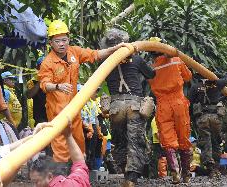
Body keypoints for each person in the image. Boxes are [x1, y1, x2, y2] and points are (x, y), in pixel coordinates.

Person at [38, 20, 131, 162]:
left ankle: (79, 177)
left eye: (64, 40)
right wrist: (57, 86)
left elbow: (96, 54)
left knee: (79, 145)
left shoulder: (74, 52)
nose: (62, 44)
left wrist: (116, 48)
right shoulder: (47, 63)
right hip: (58, 112)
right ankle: (62, 179)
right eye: (57, 41)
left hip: (74, 109)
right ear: (51, 43)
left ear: (68, 39)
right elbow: (44, 85)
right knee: (61, 148)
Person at [100, 28, 156, 186]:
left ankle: (124, 170)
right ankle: (131, 177)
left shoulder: (105, 62)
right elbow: (151, 74)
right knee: (135, 141)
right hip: (134, 106)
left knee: (120, 142)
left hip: (115, 107)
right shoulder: (137, 60)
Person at [148, 37, 192, 183]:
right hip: (179, 102)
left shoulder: (151, 68)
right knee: (184, 138)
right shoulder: (177, 60)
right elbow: (188, 77)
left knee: (168, 140)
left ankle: (175, 173)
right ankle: (186, 174)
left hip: (162, 105)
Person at [189, 73, 227, 178]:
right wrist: (216, 74)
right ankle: (216, 168)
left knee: (205, 142)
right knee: (216, 141)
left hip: (202, 118)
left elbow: (189, 103)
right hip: (216, 118)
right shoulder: (218, 84)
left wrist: (192, 119)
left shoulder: (196, 87)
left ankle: (210, 168)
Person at [30, 121, 90, 187]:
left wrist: (34, 136)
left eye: (36, 182)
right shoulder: (76, 182)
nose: (34, 186)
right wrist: (68, 135)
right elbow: (80, 163)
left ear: (50, 177)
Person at [27, 56, 48, 125]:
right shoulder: (32, 81)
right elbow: (29, 95)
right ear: (38, 68)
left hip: (53, 112)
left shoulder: (54, 79)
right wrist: (40, 81)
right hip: (40, 115)